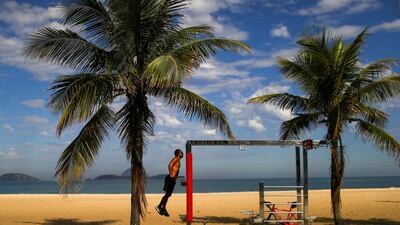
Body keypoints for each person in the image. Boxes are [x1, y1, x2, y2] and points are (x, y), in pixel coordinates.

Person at [155, 149, 183, 217]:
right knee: (167, 194)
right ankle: (159, 206)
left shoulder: (178, 160)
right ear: (178, 153)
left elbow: (175, 169)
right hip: (170, 178)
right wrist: (171, 174)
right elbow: (170, 164)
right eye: (180, 152)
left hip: (172, 179)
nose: (182, 152)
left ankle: (163, 209)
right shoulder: (176, 158)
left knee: (168, 195)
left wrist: (176, 177)